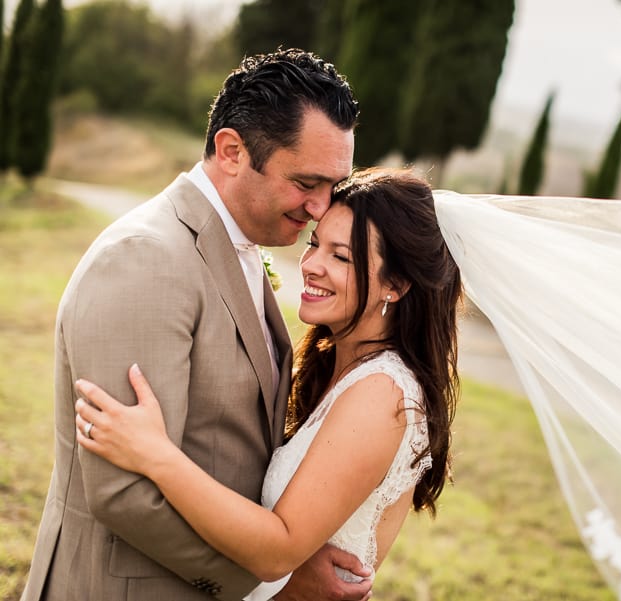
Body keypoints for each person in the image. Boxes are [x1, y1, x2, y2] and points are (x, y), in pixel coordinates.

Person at [21, 49, 369, 601]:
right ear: (232, 152)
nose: (322, 208)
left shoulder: (241, 244)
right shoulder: (146, 259)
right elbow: (123, 491)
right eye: (307, 182)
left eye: (334, 186)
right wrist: (267, 583)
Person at [72, 168, 463, 599]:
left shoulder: (383, 393)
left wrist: (156, 455)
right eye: (315, 244)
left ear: (395, 285)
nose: (311, 265)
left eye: (341, 257)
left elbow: (277, 552)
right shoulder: (340, 364)